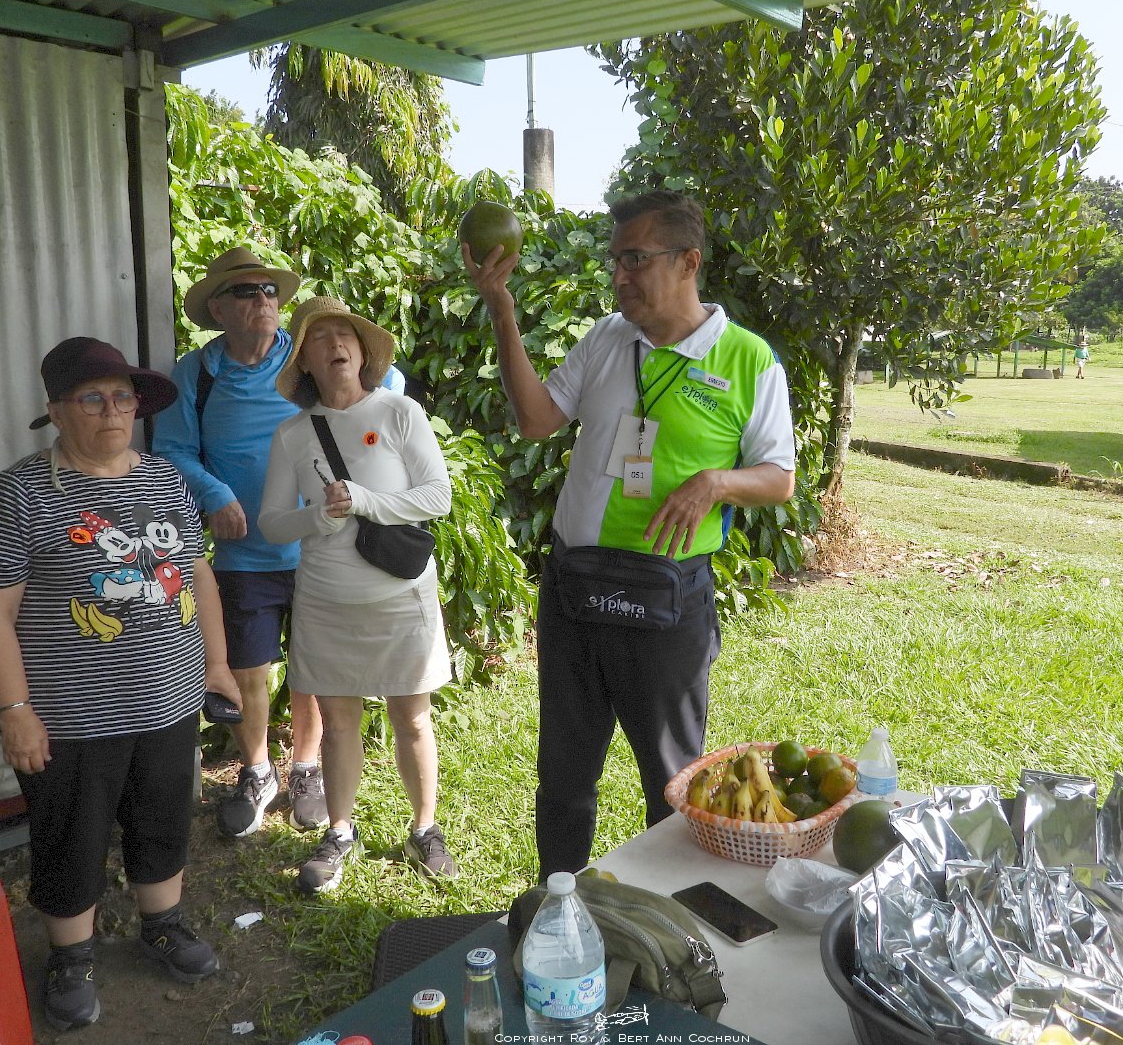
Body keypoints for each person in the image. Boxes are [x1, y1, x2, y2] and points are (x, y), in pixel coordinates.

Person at [464, 189, 796, 879]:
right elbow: (536, 420)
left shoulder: (748, 360)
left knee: (671, 784)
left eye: (636, 259)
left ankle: (667, 920)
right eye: (616, 260)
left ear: (688, 262)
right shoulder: (607, 339)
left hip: (666, 598)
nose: (619, 276)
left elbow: (779, 477)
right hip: (576, 588)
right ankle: (556, 905)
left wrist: (715, 482)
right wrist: (503, 313)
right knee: (564, 773)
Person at [0, 337, 240, 1030]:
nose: (113, 411)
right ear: (56, 410)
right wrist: (15, 709)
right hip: (71, 715)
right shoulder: (16, 497)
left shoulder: (166, 480)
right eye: (92, 398)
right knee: (70, 835)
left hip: (170, 699)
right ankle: (71, 955)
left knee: (163, 816)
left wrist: (216, 664)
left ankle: (163, 924)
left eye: (123, 397)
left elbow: (198, 574)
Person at [153, 247, 407, 842]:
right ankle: (256, 770)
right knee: (249, 665)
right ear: (219, 309)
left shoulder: (305, 360)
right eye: (247, 291)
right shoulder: (197, 373)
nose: (264, 299)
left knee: (312, 665)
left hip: (323, 546)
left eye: (269, 290)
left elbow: (385, 386)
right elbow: (171, 450)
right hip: (244, 551)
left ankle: (306, 769)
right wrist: (215, 494)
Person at [258, 296, 456, 893]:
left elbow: (437, 496)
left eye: (345, 334)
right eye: (320, 339)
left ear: (363, 351)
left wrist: (366, 501)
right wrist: (316, 517)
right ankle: (339, 831)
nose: (336, 344)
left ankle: (424, 829)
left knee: (412, 717)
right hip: (326, 600)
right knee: (339, 723)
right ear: (304, 361)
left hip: (401, 594)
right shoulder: (292, 434)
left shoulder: (400, 412)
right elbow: (271, 523)